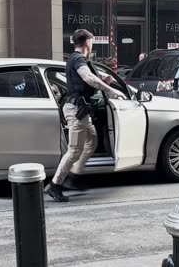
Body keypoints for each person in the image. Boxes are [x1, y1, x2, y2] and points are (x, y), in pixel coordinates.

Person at [44, 29, 127, 202]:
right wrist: (111, 90)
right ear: (88, 42)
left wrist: (103, 83)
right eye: (92, 41)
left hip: (81, 110)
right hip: (76, 110)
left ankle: (73, 176)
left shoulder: (78, 59)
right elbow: (88, 78)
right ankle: (55, 184)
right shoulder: (78, 59)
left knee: (92, 141)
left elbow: (87, 83)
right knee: (74, 150)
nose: (92, 43)